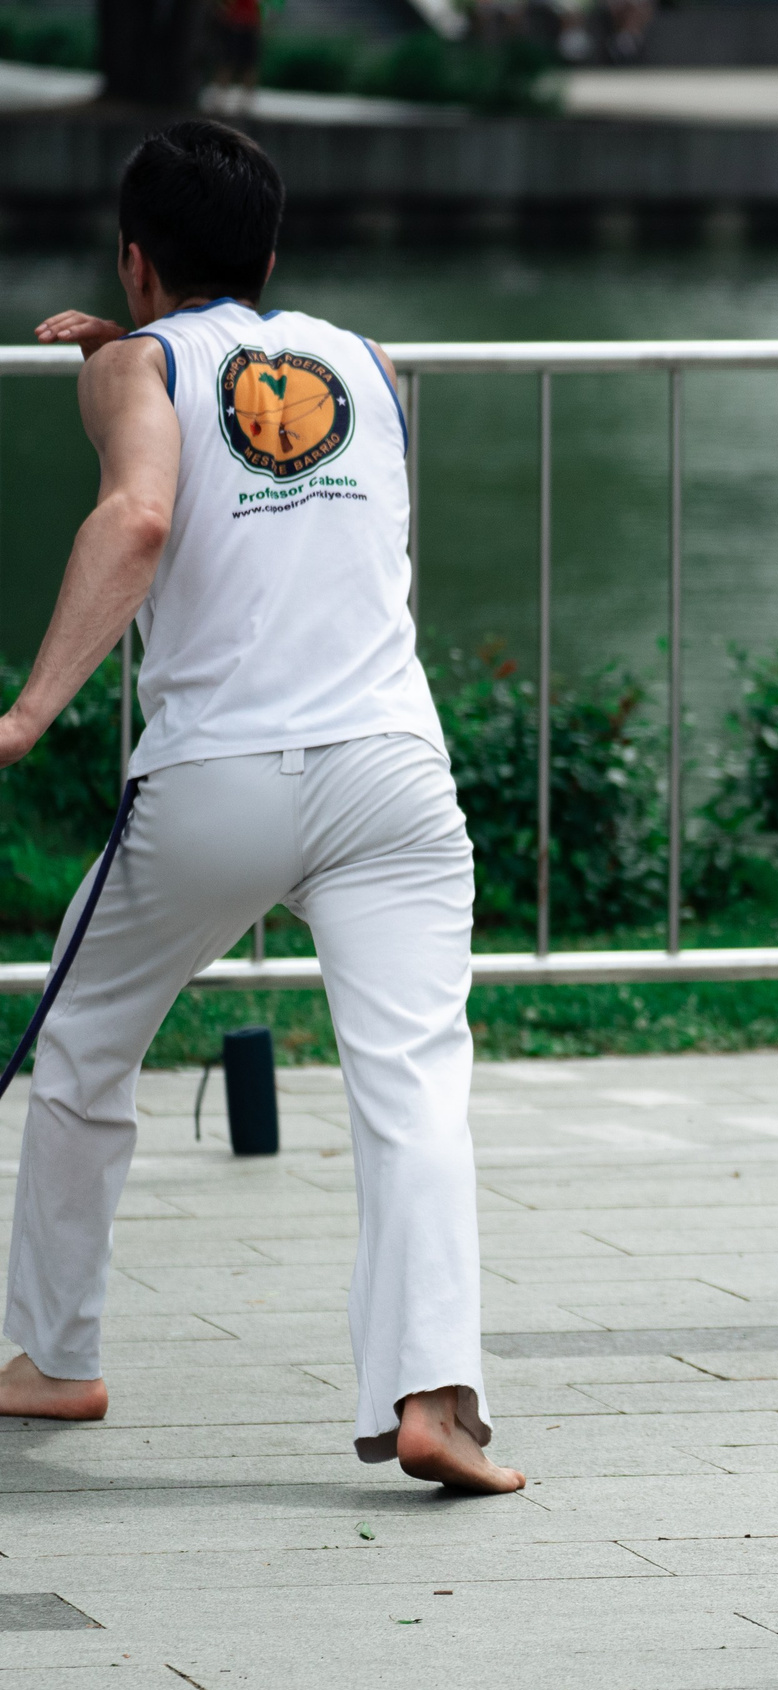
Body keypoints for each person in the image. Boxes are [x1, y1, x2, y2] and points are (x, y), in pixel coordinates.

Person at [0, 123, 518, 1495]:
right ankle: (435, 1395)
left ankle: (53, 1355)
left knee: (83, 1042)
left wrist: (25, 713)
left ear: (132, 257)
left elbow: (141, 521)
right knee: (414, 1082)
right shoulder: (376, 363)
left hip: (218, 775)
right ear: (275, 254)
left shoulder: (134, 364)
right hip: (391, 771)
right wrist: (143, 350)